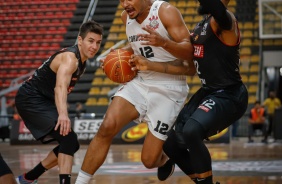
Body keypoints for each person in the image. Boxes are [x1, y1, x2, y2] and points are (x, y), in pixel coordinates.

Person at [75, 0, 195, 183]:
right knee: (107, 126)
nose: (124, 4)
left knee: (148, 160)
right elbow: (138, 45)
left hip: (170, 88)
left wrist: (164, 43)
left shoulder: (166, 12)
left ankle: (167, 157)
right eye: (121, 0)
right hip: (141, 82)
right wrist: (116, 56)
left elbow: (191, 57)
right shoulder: (126, 17)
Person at [157, 0, 249, 183]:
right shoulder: (202, 25)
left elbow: (218, 10)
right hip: (208, 91)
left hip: (230, 94)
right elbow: (186, 58)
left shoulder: (225, 21)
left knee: (192, 131)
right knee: (170, 143)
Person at [14, 20, 103, 184]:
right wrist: (63, 114)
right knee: (68, 139)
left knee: (71, 143)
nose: (94, 46)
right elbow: (60, 87)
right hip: (30, 98)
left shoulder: (81, 61)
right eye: (91, 41)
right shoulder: (71, 59)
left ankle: (28, 178)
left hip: (43, 99)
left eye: (98, 42)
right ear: (80, 40)